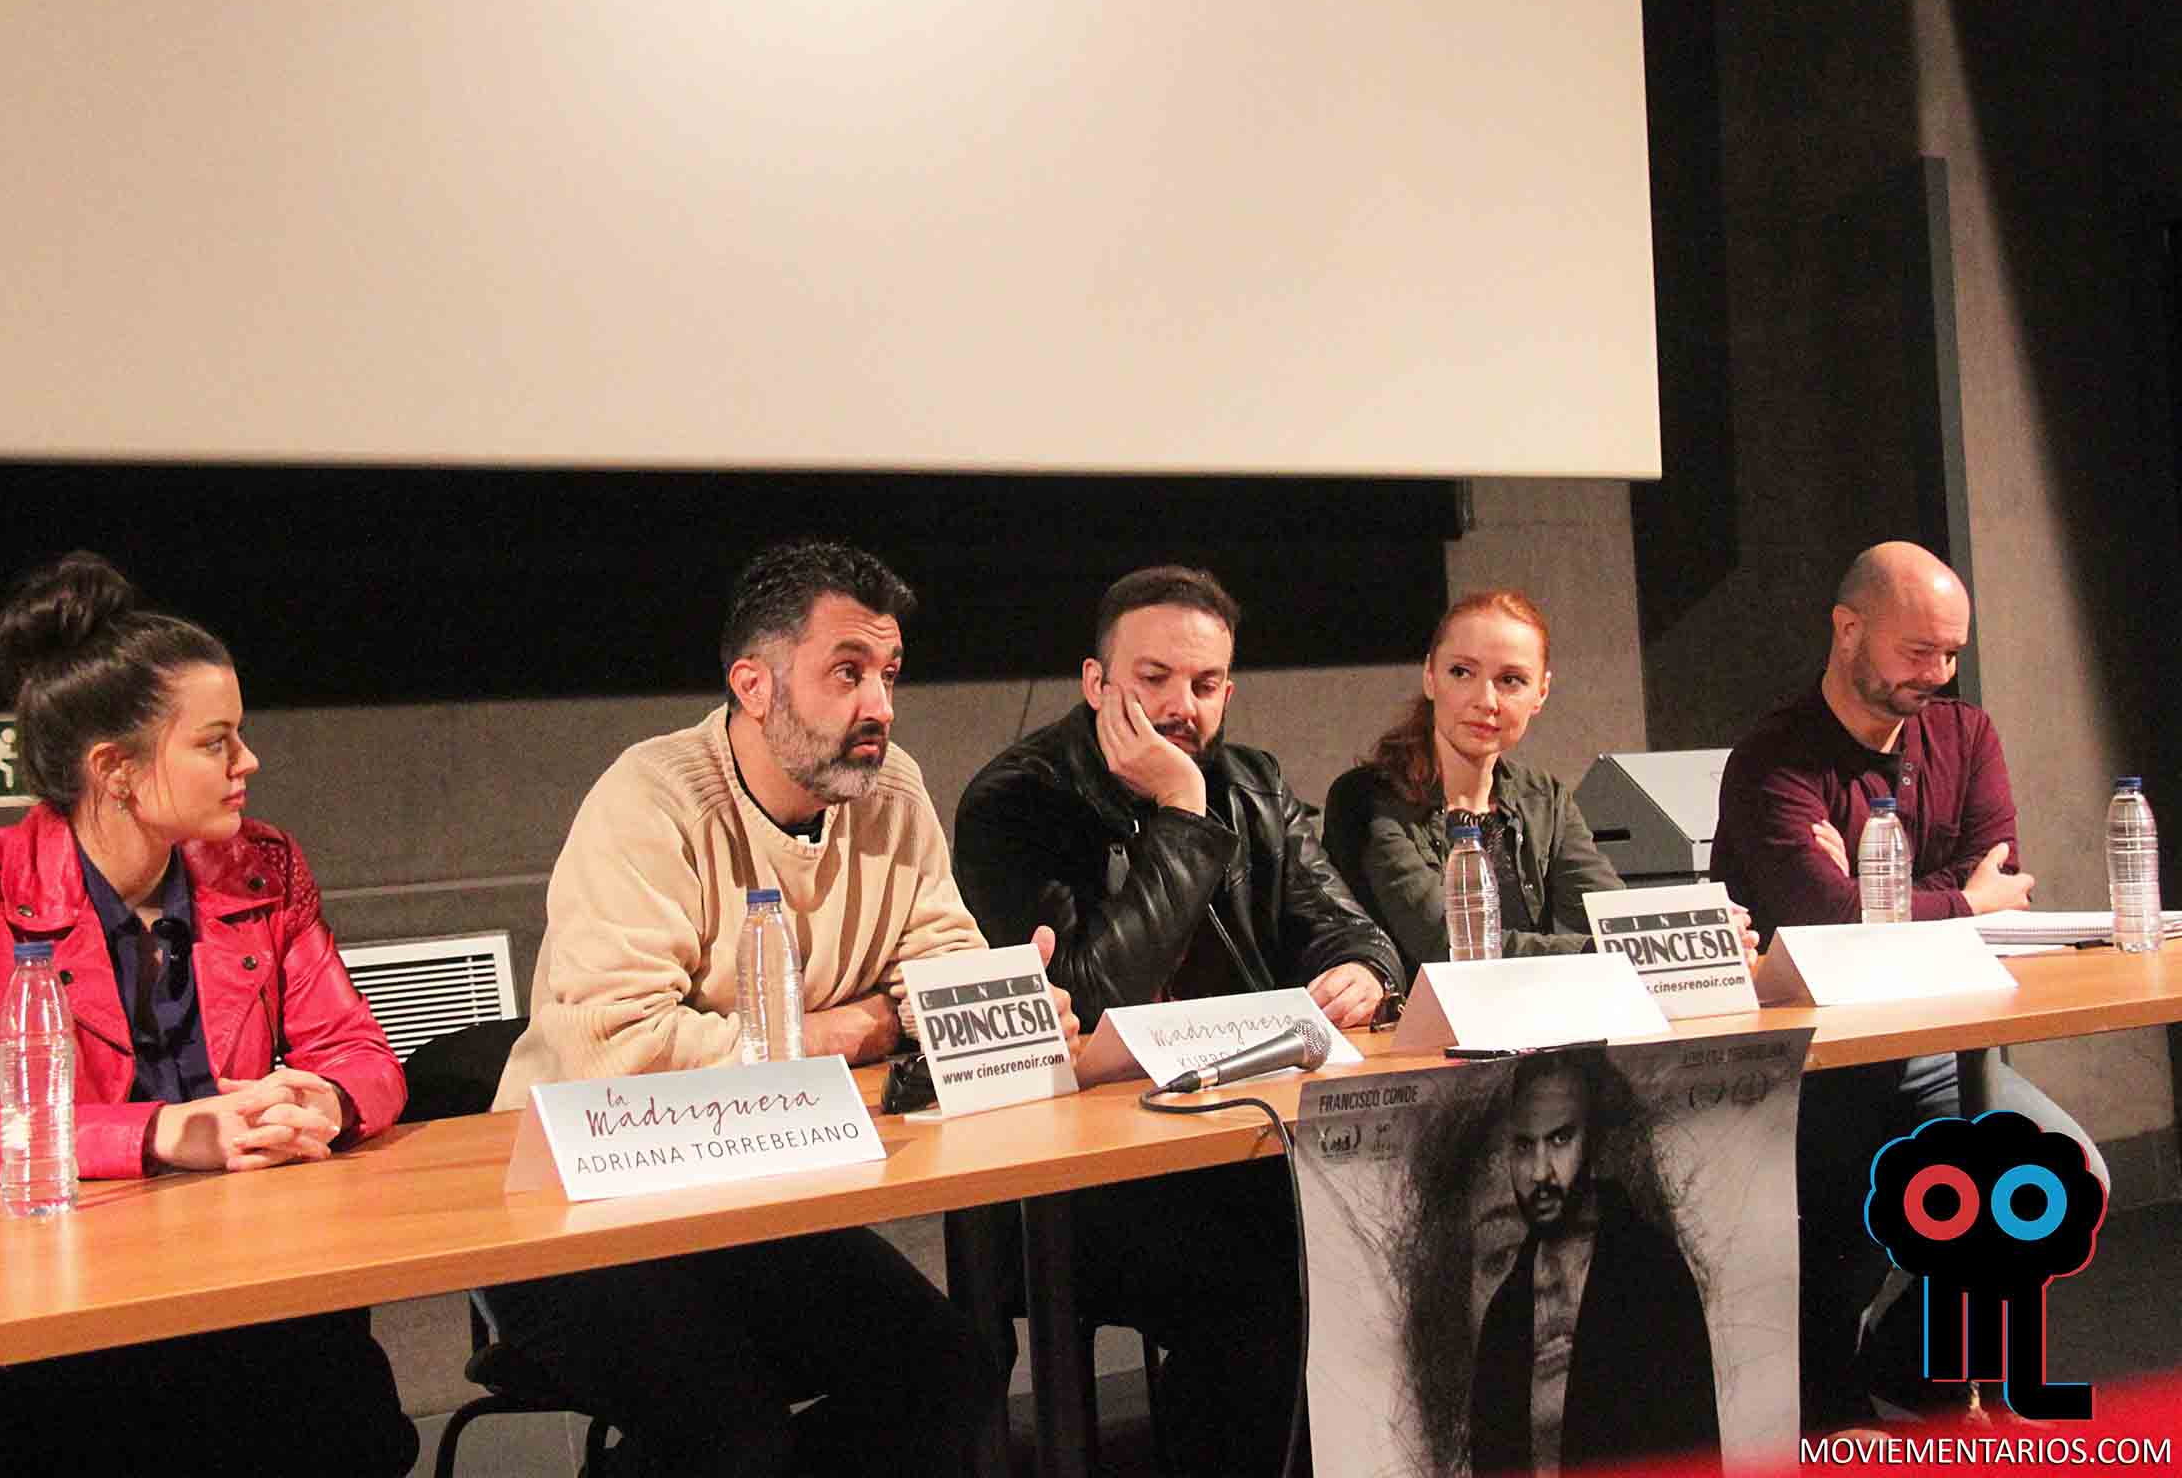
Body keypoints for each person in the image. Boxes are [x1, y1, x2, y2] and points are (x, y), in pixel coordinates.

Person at [488, 540, 1057, 1477]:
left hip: (755, 1201)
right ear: (753, 686)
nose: (879, 704)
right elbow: (617, 1049)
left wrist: (1009, 1003)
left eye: (887, 673)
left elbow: (941, 960)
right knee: (737, 1438)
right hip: (577, 1213)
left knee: (952, 1371)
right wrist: (853, 1027)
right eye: (847, 672)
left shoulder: (890, 788)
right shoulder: (653, 799)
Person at [0, 552, 416, 1477]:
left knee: (343, 1424)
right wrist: (161, 1133)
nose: (249, 763)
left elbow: (360, 1051)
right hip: (51, 1322)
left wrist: (321, 1099)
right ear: (115, 769)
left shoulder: (265, 867)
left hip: (251, 1298)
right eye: (216, 742)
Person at [952, 564, 1402, 1476]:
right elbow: (1082, 999)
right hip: (1076, 1179)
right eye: (1152, 679)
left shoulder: (1255, 782)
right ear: (1096, 683)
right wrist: (1180, 814)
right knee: (1266, 1294)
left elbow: (1347, 925)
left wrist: (1365, 969)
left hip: (1234, 1142)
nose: (1179, 708)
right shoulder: (1017, 802)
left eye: (1203, 687)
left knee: (1389, 1243)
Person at [1709, 539, 2103, 1425]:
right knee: (1844, 1248)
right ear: (1849, 631)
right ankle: (1836, 1397)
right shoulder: (1773, 761)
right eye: (1917, 651)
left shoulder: (1966, 732)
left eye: (1951, 651)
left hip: (1941, 1047)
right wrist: (1958, 898)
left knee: (2061, 1177)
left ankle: (1916, 1368)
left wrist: (1901, 901)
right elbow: (1826, 926)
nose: (1939, 671)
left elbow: (2002, 885)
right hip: (1818, 1063)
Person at [1324, 588, 1756, 965]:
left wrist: (1699, 930)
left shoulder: (1544, 798)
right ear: (1430, 676)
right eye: (1462, 672)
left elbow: (1612, 910)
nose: (1485, 700)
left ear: (1540, 693)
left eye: (1511, 680)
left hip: (1533, 1026)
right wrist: (1615, 949)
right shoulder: (1367, 798)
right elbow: (1450, 945)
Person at [1468, 1051, 1720, 1474]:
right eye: (1525, 1146)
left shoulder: (1653, 1277)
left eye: (1561, 1139)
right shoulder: (1505, 1314)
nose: (1541, 1172)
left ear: (1596, 1143)